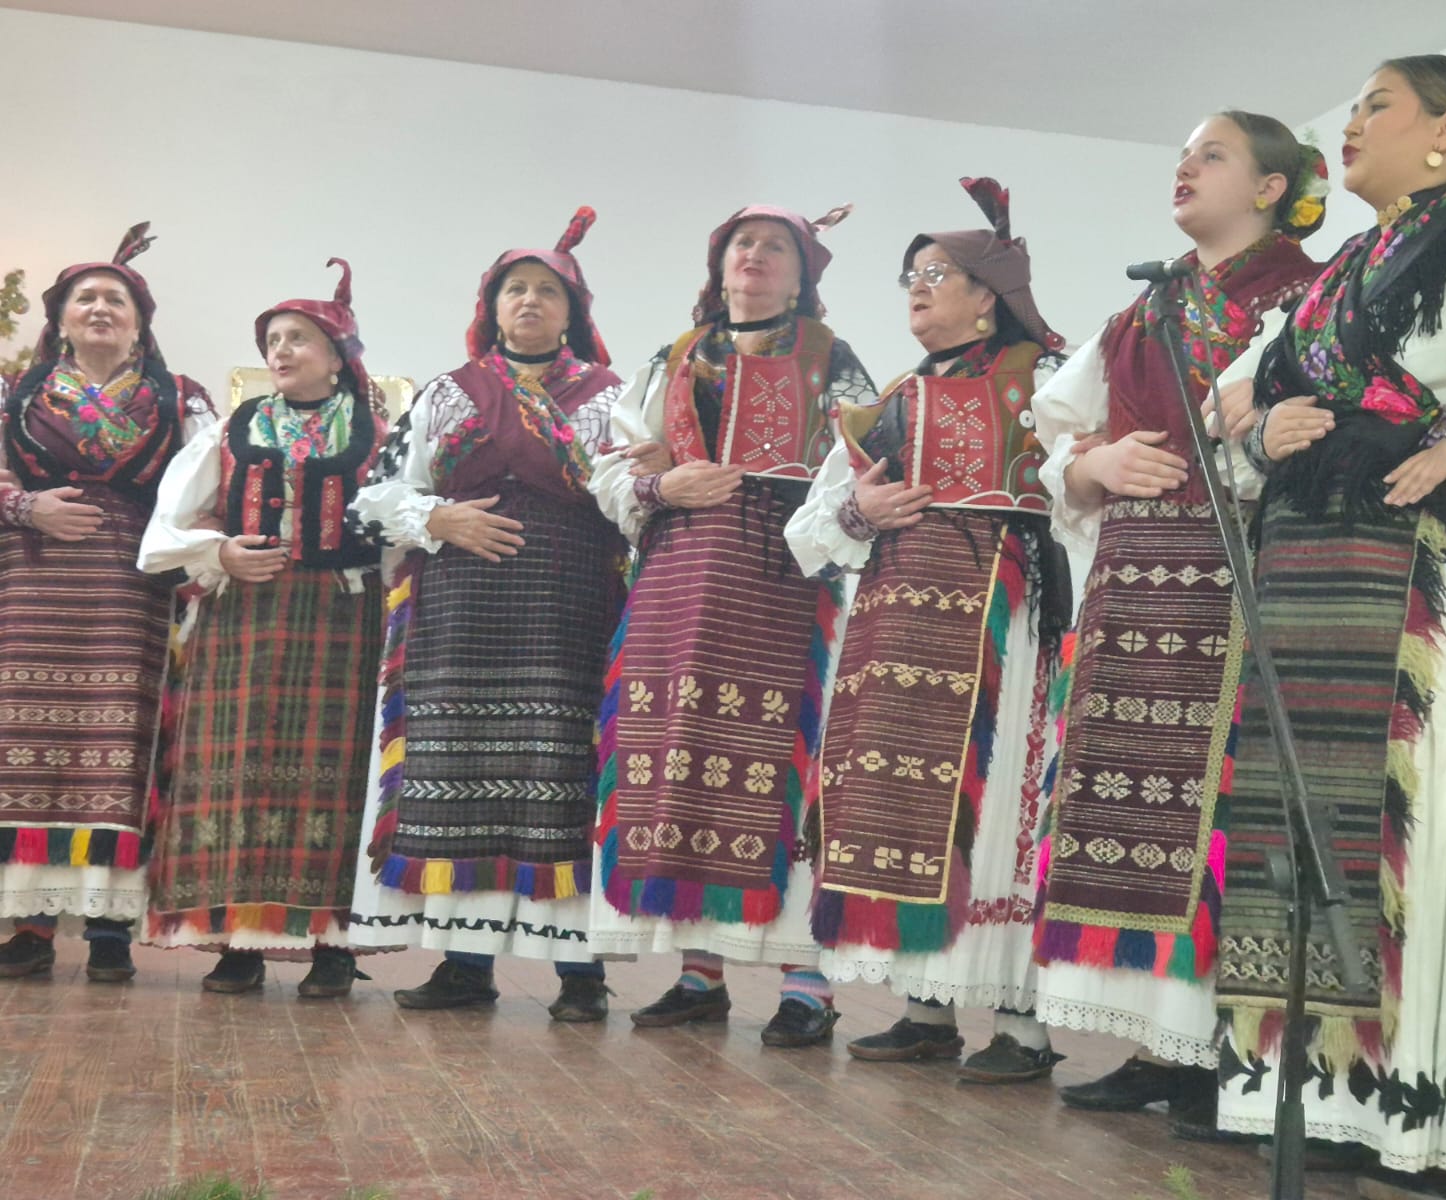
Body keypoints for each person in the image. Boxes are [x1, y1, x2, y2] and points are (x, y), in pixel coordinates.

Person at [1212, 58, 1446, 1181]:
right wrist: (1267, 428)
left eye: (1376, 103)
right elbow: (1239, 394)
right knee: (1320, 815)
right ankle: (1341, 1096)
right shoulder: (1342, 269)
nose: (1351, 122)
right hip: (1326, 560)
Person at [1028, 113, 1325, 1123]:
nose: (1185, 168)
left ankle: (1226, 1056)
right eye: (1183, 155)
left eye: (1212, 154)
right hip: (1132, 584)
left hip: (1246, 582)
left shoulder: (1309, 294)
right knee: (1126, 809)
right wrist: (1095, 466)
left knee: (1227, 816)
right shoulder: (1140, 311)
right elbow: (1058, 436)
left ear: (1273, 188)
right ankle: (1160, 1043)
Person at [786, 177, 1073, 1081]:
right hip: (895, 620)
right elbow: (809, 530)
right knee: (902, 809)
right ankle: (926, 1009)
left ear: (989, 294)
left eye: (937, 272)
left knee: (998, 804)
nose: (916, 287)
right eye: (909, 275)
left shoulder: (1051, 379)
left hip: (1006, 619)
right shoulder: (893, 401)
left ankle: (1022, 1026)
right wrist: (862, 511)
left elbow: (1087, 484)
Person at [588, 203, 875, 1046]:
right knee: (680, 754)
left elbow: (866, 460)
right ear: (718, 265)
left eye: (775, 246)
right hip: (678, 573)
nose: (756, 255)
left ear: (802, 272)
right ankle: (698, 974)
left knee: (790, 759)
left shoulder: (834, 361)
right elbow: (611, 466)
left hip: (786, 577)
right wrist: (660, 486)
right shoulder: (675, 357)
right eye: (742, 243)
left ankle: (806, 984)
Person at [348, 209, 627, 1019]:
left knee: (561, 779)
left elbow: (634, 496)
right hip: (460, 612)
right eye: (515, 289)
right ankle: (465, 966)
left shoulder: (613, 399)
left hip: (570, 611)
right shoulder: (447, 393)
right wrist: (437, 517)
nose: (530, 301)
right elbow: (378, 494)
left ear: (573, 312)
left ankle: (581, 974)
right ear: (492, 306)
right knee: (457, 774)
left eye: (547, 291)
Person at [139, 259, 391, 997]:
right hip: (243, 617)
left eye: (298, 338)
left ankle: (334, 944)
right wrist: (217, 552)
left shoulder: (378, 434)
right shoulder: (233, 429)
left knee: (341, 778)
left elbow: (403, 527)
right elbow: (163, 531)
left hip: (346, 618)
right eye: (273, 340)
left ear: (338, 355)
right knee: (235, 768)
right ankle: (237, 940)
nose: (282, 350)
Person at [0, 223, 213, 983]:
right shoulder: (13, 395)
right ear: (59, 318)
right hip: (29, 585)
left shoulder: (181, 398)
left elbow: (210, 486)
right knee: (20, 746)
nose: (100, 309)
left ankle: (110, 927)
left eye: (115, 300)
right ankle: (28, 924)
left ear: (139, 321)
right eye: (85, 298)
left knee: (121, 746)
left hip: (133, 590)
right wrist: (27, 507)